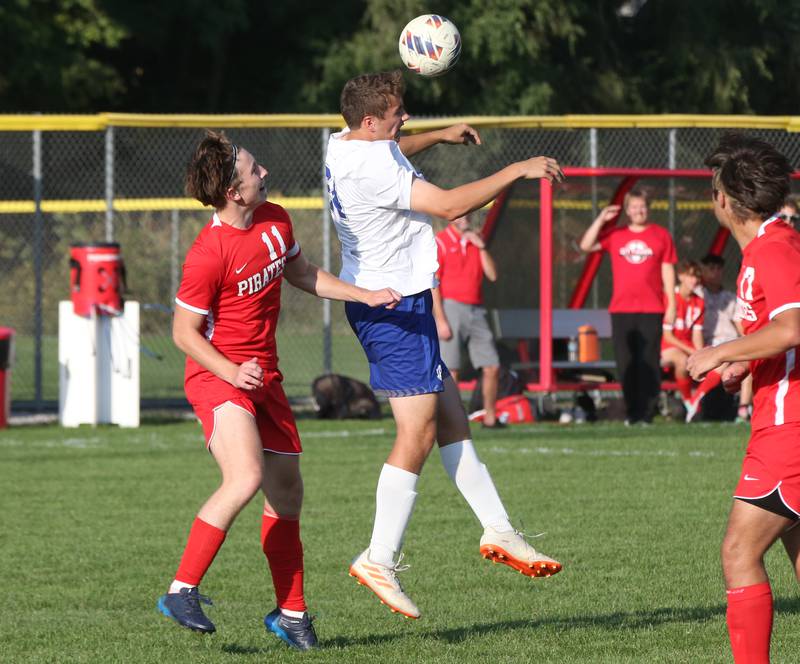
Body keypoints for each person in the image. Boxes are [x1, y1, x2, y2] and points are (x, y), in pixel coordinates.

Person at [323, 70, 564, 619]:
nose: (403, 117)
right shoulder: (370, 161)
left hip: (395, 300)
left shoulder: (343, 142)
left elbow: (392, 147)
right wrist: (518, 169)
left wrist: (437, 135)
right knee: (420, 430)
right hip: (393, 307)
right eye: (396, 112)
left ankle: (500, 531)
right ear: (369, 120)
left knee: (453, 420)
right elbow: (452, 206)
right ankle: (378, 558)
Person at [158, 130, 401, 650]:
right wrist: (227, 371)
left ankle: (291, 614)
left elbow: (302, 273)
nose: (264, 172)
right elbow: (182, 334)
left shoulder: (276, 219)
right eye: (253, 170)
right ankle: (182, 589)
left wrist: (363, 295)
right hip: (217, 377)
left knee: (287, 494)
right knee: (244, 476)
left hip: (265, 377)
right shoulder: (207, 254)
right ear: (233, 192)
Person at [687, 132, 799, 664]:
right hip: (783, 418)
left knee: (739, 551)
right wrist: (745, 363)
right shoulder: (772, 245)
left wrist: (718, 352)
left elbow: (793, 327)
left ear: (727, 200)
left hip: (790, 428)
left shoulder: (774, 248)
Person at [578, 190, 677, 424]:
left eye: (642, 206)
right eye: (633, 206)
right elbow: (585, 245)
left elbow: (667, 270)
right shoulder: (616, 234)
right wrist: (602, 219)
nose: (638, 211)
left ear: (648, 208)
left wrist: (671, 303)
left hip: (652, 308)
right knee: (626, 362)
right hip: (621, 309)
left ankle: (647, 413)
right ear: (626, 209)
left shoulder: (660, 235)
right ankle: (632, 412)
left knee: (649, 362)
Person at [432, 213, 504, 428]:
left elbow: (492, 275)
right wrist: (440, 319)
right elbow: (433, 284)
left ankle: (491, 418)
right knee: (451, 369)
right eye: (460, 214)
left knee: (492, 365)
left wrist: (481, 246)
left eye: (467, 214)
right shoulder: (441, 242)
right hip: (451, 307)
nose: (465, 218)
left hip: (476, 309)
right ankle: (453, 419)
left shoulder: (475, 240)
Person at [689, 253, 752, 423]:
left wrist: (750, 343)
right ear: (702, 271)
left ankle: (743, 410)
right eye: (711, 268)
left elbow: (742, 328)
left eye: (719, 269)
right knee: (721, 360)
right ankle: (695, 403)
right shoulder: (697, 296)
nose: (716, 273)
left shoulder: (731, 298)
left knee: (752, 361)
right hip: (710, 347)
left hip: (731, 346)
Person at [660, 259, 704, 410]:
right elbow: (667, 336)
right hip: (668, 346)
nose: (695, 280)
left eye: (697, 276)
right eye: (691, 276)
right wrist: (693, 351)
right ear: (680, 276)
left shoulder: (699, 302)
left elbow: (697, 335)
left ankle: (699, 401)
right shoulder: (670, 298)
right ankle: (688, 402)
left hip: (687, 346)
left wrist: (701, 352)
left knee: (714, 362)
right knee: (683, 360)